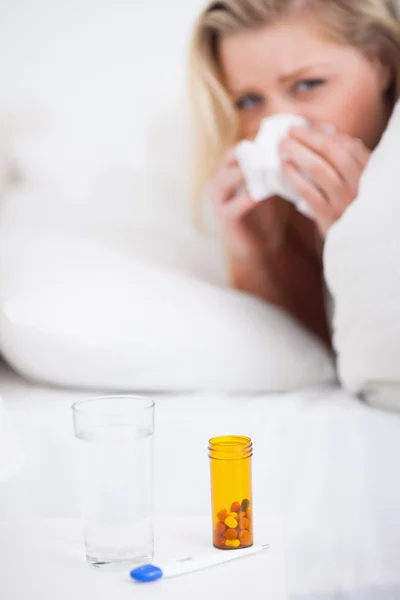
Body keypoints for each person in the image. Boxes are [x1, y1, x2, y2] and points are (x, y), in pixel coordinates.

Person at [189, 0, 400, 343]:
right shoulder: (282, 203)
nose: (277, 125)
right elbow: (312, 362)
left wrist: (366, 236)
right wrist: (252, 254)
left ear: (382, 64)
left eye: (307, 85)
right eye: (249, 101)